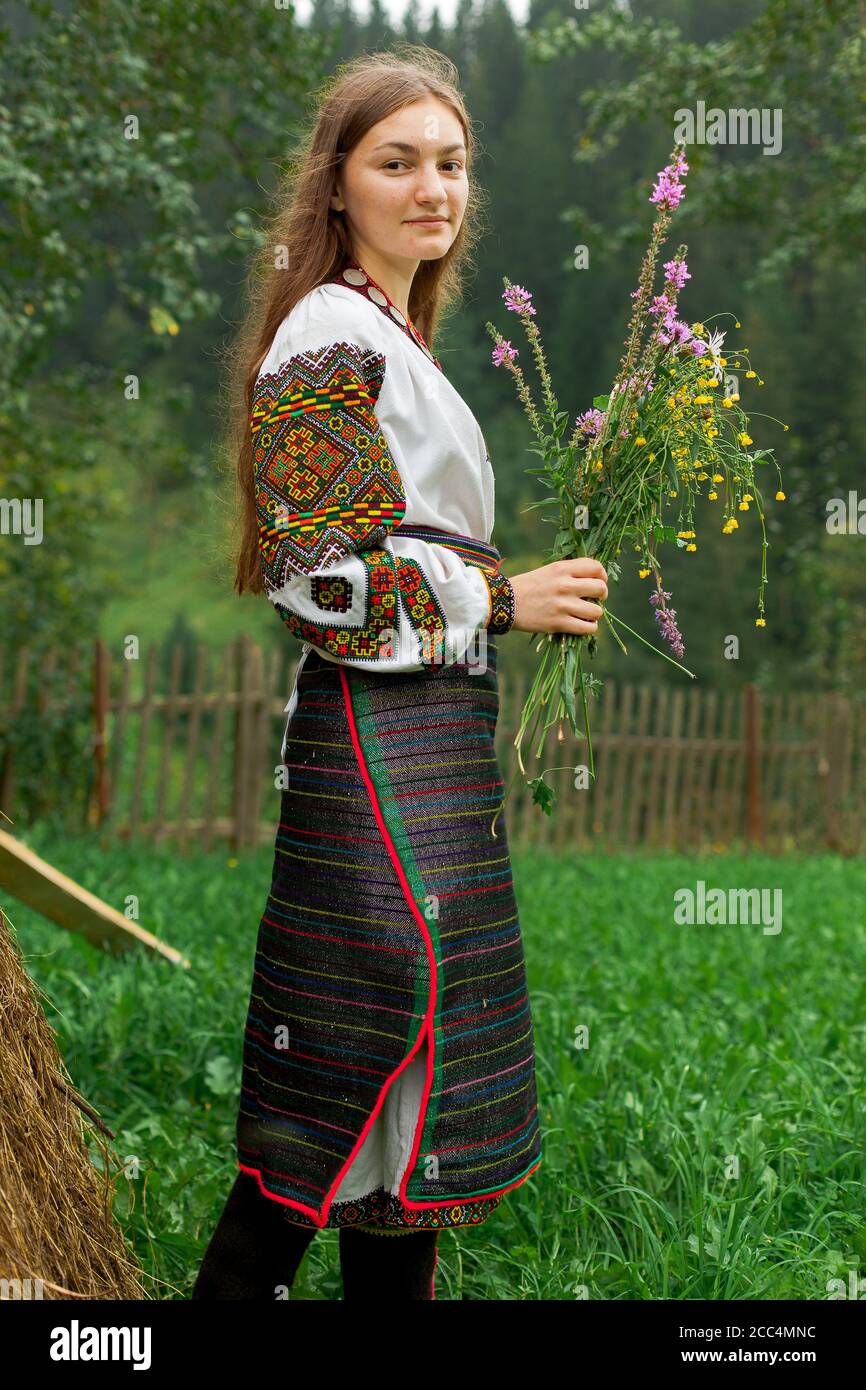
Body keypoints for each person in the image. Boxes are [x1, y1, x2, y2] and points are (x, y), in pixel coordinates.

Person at [192, 45, 607, 1302]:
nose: (434, 188)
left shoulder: (386, 331)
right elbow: (313, 581)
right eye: (397, 162)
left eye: (451, 163)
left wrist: (500, 603)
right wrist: (502, 596)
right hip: (371, 753)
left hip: (431, 736)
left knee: (409, 1096)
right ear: (336, 186)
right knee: (353, 1050)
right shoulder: (325, 329)